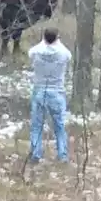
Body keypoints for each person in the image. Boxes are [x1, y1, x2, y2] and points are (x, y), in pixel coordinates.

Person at [28, 27, 72, 163]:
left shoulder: (36, 52)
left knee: (37, 126)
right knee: (59, 126)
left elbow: (31, 51)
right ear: (57, 38)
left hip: (39, 91)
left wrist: (44, 41)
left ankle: (36, 153)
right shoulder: (64, 53)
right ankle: (63, 155)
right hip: (57, 92)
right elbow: (68, 55)